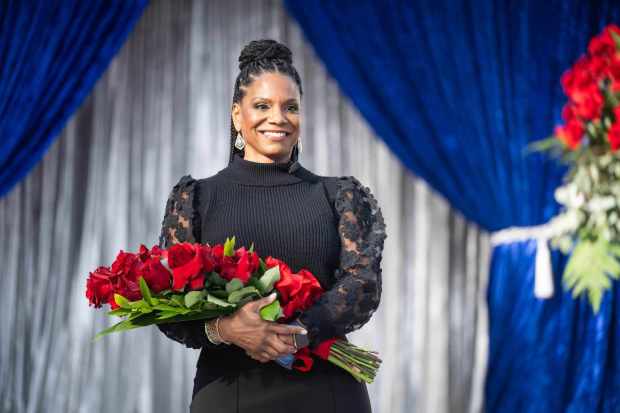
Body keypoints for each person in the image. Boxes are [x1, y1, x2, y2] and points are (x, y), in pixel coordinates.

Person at [157, 39, 387, 413]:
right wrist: (227, 328)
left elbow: (363, 286)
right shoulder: (194, 200)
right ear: (236, 115)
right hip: (229, 391)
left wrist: (295, 334)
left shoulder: (339, 195)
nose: (278, 118)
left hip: (326, 390)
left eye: (290, 107)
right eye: (262, 105)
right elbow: (171, 308)